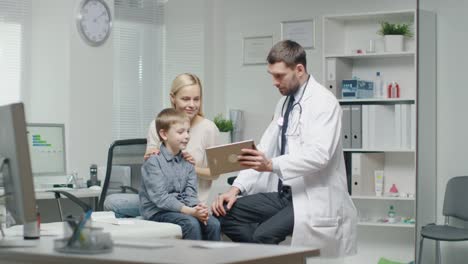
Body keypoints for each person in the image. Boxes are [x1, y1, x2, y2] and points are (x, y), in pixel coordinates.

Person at [211, 40, 357, 257]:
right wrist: (236, 189)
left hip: (313, 197)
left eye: (279, 75)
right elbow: (263, 149)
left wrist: (271, 165)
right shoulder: (284, 103)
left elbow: (319, 156)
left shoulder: (324, 103)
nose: (274, 82)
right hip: (284, 195)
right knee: (224, 215)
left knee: (263, 235)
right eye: (271, 74)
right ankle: (273, 260)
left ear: (299, 69)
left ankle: (269, 258)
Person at [104, 73, 219, 217]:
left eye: (196, 99)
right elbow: (152, 172)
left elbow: (214, 174)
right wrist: (150, 158)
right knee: (112, 202)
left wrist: (189, 167)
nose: (192, 105)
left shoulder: (208, 128)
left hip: (191, 201)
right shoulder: (156, 125)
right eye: (185, 99)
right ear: (173, 98)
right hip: (160, 200)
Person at [140, 108, 221, 241]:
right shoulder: (153, 161)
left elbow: (190, 192)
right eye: (180, 132)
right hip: (158, 211)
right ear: (164, 134)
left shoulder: (188, 161)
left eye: (188, 131)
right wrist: (190, 212)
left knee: (214, 224)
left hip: (183, 208)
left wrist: (198, 208)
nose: (187, 136)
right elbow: (161, 198)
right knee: (191, 223)